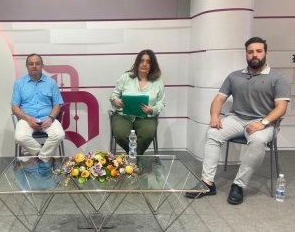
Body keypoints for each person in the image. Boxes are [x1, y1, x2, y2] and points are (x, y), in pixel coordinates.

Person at [185, 37, 291, 205]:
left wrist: (262, 123)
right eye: (250, 52)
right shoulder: (234, 76)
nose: (254, 55)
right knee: (212, 133)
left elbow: (281, 107)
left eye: (258, 51)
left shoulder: (277, 78)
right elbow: (218, 100)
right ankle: (207, 183)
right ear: (246, 54)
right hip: (237, 118)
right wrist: (214, 116)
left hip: (264, 122)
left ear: (265, 53)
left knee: (257, 141)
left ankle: (238, 185)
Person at [110, 49, 166, 155]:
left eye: (148, 62)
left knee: (147, 134)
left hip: (146, 116)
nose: (144, 64)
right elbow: (114, 95)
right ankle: (136, 159)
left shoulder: (158, 80)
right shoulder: (126, 77)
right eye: (142, 61)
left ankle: (133, 160)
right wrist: (115, 101)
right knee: (120, 134)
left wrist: (152, 109)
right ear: (137, 62)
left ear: (152, 65)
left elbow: (161, 103)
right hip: (124, 115)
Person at [11, 53, 65, 159]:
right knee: (20, 137)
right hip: (27, 119)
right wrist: (27, 118)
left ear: (42, 66)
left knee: (59, 135)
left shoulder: (51, 83)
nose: (34, 66)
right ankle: (44, 158)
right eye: (31, 64)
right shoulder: (19, 83)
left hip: (48, 119)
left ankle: (40, 158)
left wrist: (50, 118)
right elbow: (14, 107)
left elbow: (57, 104)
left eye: (37, 63)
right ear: (27, 66)